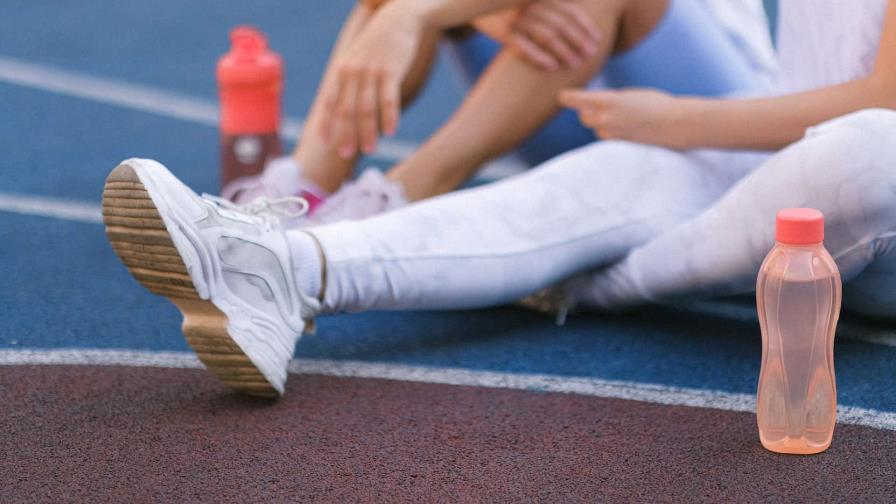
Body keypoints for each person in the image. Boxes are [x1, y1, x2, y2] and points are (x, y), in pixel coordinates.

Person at [102, 0, 896, 398]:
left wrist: (678, 120)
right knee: (593, 171)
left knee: (865, 150)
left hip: (813, 156)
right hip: (740, 149)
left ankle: (579, 273)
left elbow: (884, 100)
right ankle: (290, 242)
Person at [221, 0, 775, 222]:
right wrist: (490, 13)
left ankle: (386, 206)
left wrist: (418, 13)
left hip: (708, 117)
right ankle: (293, 199)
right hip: (566, 88)